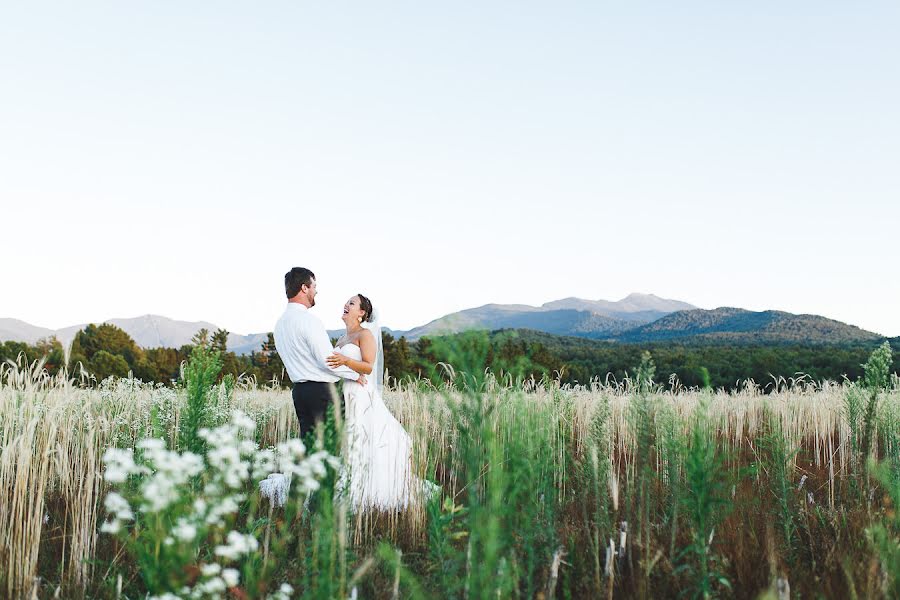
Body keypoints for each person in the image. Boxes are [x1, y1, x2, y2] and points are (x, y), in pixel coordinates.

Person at [326, 293, 438, 511]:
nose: (345, 305)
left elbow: (368, 366)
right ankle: (350, 482)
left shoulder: (364, 334)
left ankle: (366, 490)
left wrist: (347, 361)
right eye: (346, 302)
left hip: (361, 394)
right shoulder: (341, 339)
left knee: (363, 437)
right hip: (344, 393)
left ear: (362, 313)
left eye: (352, 303)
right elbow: (336, 366)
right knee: (349, 440)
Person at [273, 267, 365, 439]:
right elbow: (328, 360)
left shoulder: (279, 325)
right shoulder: (308, 321)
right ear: (304, 288)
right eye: (314, 286)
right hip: (323, 393)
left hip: (300, 393)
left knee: (310, 449)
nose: (316, 291)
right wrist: (354, 375)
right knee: (330, 448)